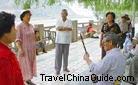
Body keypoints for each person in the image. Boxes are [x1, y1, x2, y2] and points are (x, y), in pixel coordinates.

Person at [0, 11, 24, 85]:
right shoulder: (4, 58)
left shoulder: (6, 51)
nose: (16, 31)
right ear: (5, 33)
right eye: (14, 28)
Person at [16, 10, 36, 85]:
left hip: (31, 50)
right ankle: (23, 81)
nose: (29, 17)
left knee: (30, 65)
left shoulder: (31, 26)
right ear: (23, 16)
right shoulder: (19, 26)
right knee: (24, 66)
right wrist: (20, 49)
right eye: (27, 15)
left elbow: (34, 37)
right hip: (24, 50)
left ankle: (28, 80)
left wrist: (37, 36)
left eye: (30, 15)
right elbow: (17, 39)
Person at [55, 9, 72, 75]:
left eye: (64, 13)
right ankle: (57, 70)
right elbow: (58, 28)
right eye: (62, 13)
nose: (63, 14)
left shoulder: (69, 21)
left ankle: (65, 68)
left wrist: (62, 28)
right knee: (58, 56)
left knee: (66, 55)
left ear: (66, 14)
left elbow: (70, 29)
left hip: (66, 41)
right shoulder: (58, 20)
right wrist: (65, 28)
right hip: (59, 41)